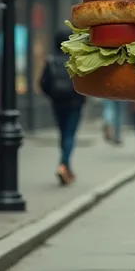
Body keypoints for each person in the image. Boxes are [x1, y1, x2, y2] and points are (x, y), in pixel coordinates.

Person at [40, 28, 86, 185]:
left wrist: (53, 96)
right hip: (74, 103)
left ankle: (66, 166)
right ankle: (63, 165)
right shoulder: (76, 58)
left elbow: (43, 83)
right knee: (69, 135)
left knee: (63, 134)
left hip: (58, 103)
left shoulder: (51, 60)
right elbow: (84, 82)